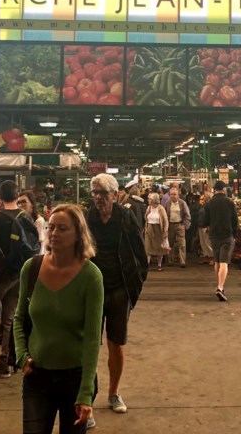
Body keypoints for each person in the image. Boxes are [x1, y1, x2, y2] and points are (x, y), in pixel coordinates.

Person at [14, 204, 103, 434]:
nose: (54, 233)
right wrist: (22, 355)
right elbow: (19, 318)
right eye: (51, 227)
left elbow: (93, 339)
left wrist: (85, 393)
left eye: (62, 228)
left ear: (78, 234)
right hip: (37, 378)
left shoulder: (91, 277)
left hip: (74, 378)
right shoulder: (31, 268)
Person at [85, 173, 148, 419]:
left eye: (103, 193)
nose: (98, 198)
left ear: (114, 194)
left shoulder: (126, 216)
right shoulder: (87, 217)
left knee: (116, 343)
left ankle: (114, 393)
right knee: (89, 344)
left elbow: (140, 254)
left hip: (120, 289)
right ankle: (86, 400)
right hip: (92, 289)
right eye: (95, 193)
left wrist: (135, 287)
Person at [0, 180, 40, 379]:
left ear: (0, 196)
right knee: (9, 318)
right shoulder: (26, 217)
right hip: (20, 273)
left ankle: (8, 341)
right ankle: (5, 362)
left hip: (1, 273)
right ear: (17, 196)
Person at [199, 180, 238, 302]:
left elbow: (204, 221)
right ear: (224, 189)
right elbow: (235, 220)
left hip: (214, 235)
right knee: (224, 262)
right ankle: (220, 287)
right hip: (227, 235)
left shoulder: (209, 203)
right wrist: (235, 234)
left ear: (214, 190)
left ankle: (219, 284)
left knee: (217, 261)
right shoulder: (230, 203)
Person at [163, 184, 191, 268]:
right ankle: (170, 261)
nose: (173, 196)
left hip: (180, 224)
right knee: (170, 243)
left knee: (181, 244)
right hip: (170, 225)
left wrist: (185, 225)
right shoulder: (167, 202)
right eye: (171, 194)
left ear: (178, 194)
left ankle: (182, 261)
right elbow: (164, 213)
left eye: (174, 194)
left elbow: (187, 215)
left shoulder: (182, 203)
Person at [144, 192, 169, 271]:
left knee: (159, 248)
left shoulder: (161, 208)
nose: (148, 200)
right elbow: (146, 218)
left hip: (158, 229)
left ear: (154, 200)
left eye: (150, 199)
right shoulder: (148, 208)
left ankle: (159, 264)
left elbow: (165, 220)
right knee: (148, 247)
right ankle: (147, 264)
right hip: (149, 228)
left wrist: (165, 231)